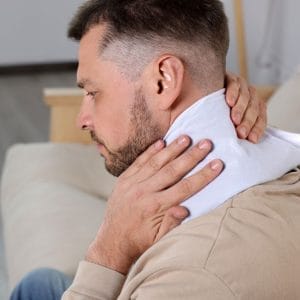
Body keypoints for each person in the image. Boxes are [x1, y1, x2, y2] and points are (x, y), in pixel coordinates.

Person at [11, 0, 300, 299]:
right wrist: (210, 88)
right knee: (39, 284)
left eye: (93, 93)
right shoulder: (266, 158)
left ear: (164, 80)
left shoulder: (192, 274)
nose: (81, 120)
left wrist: (108, 252)